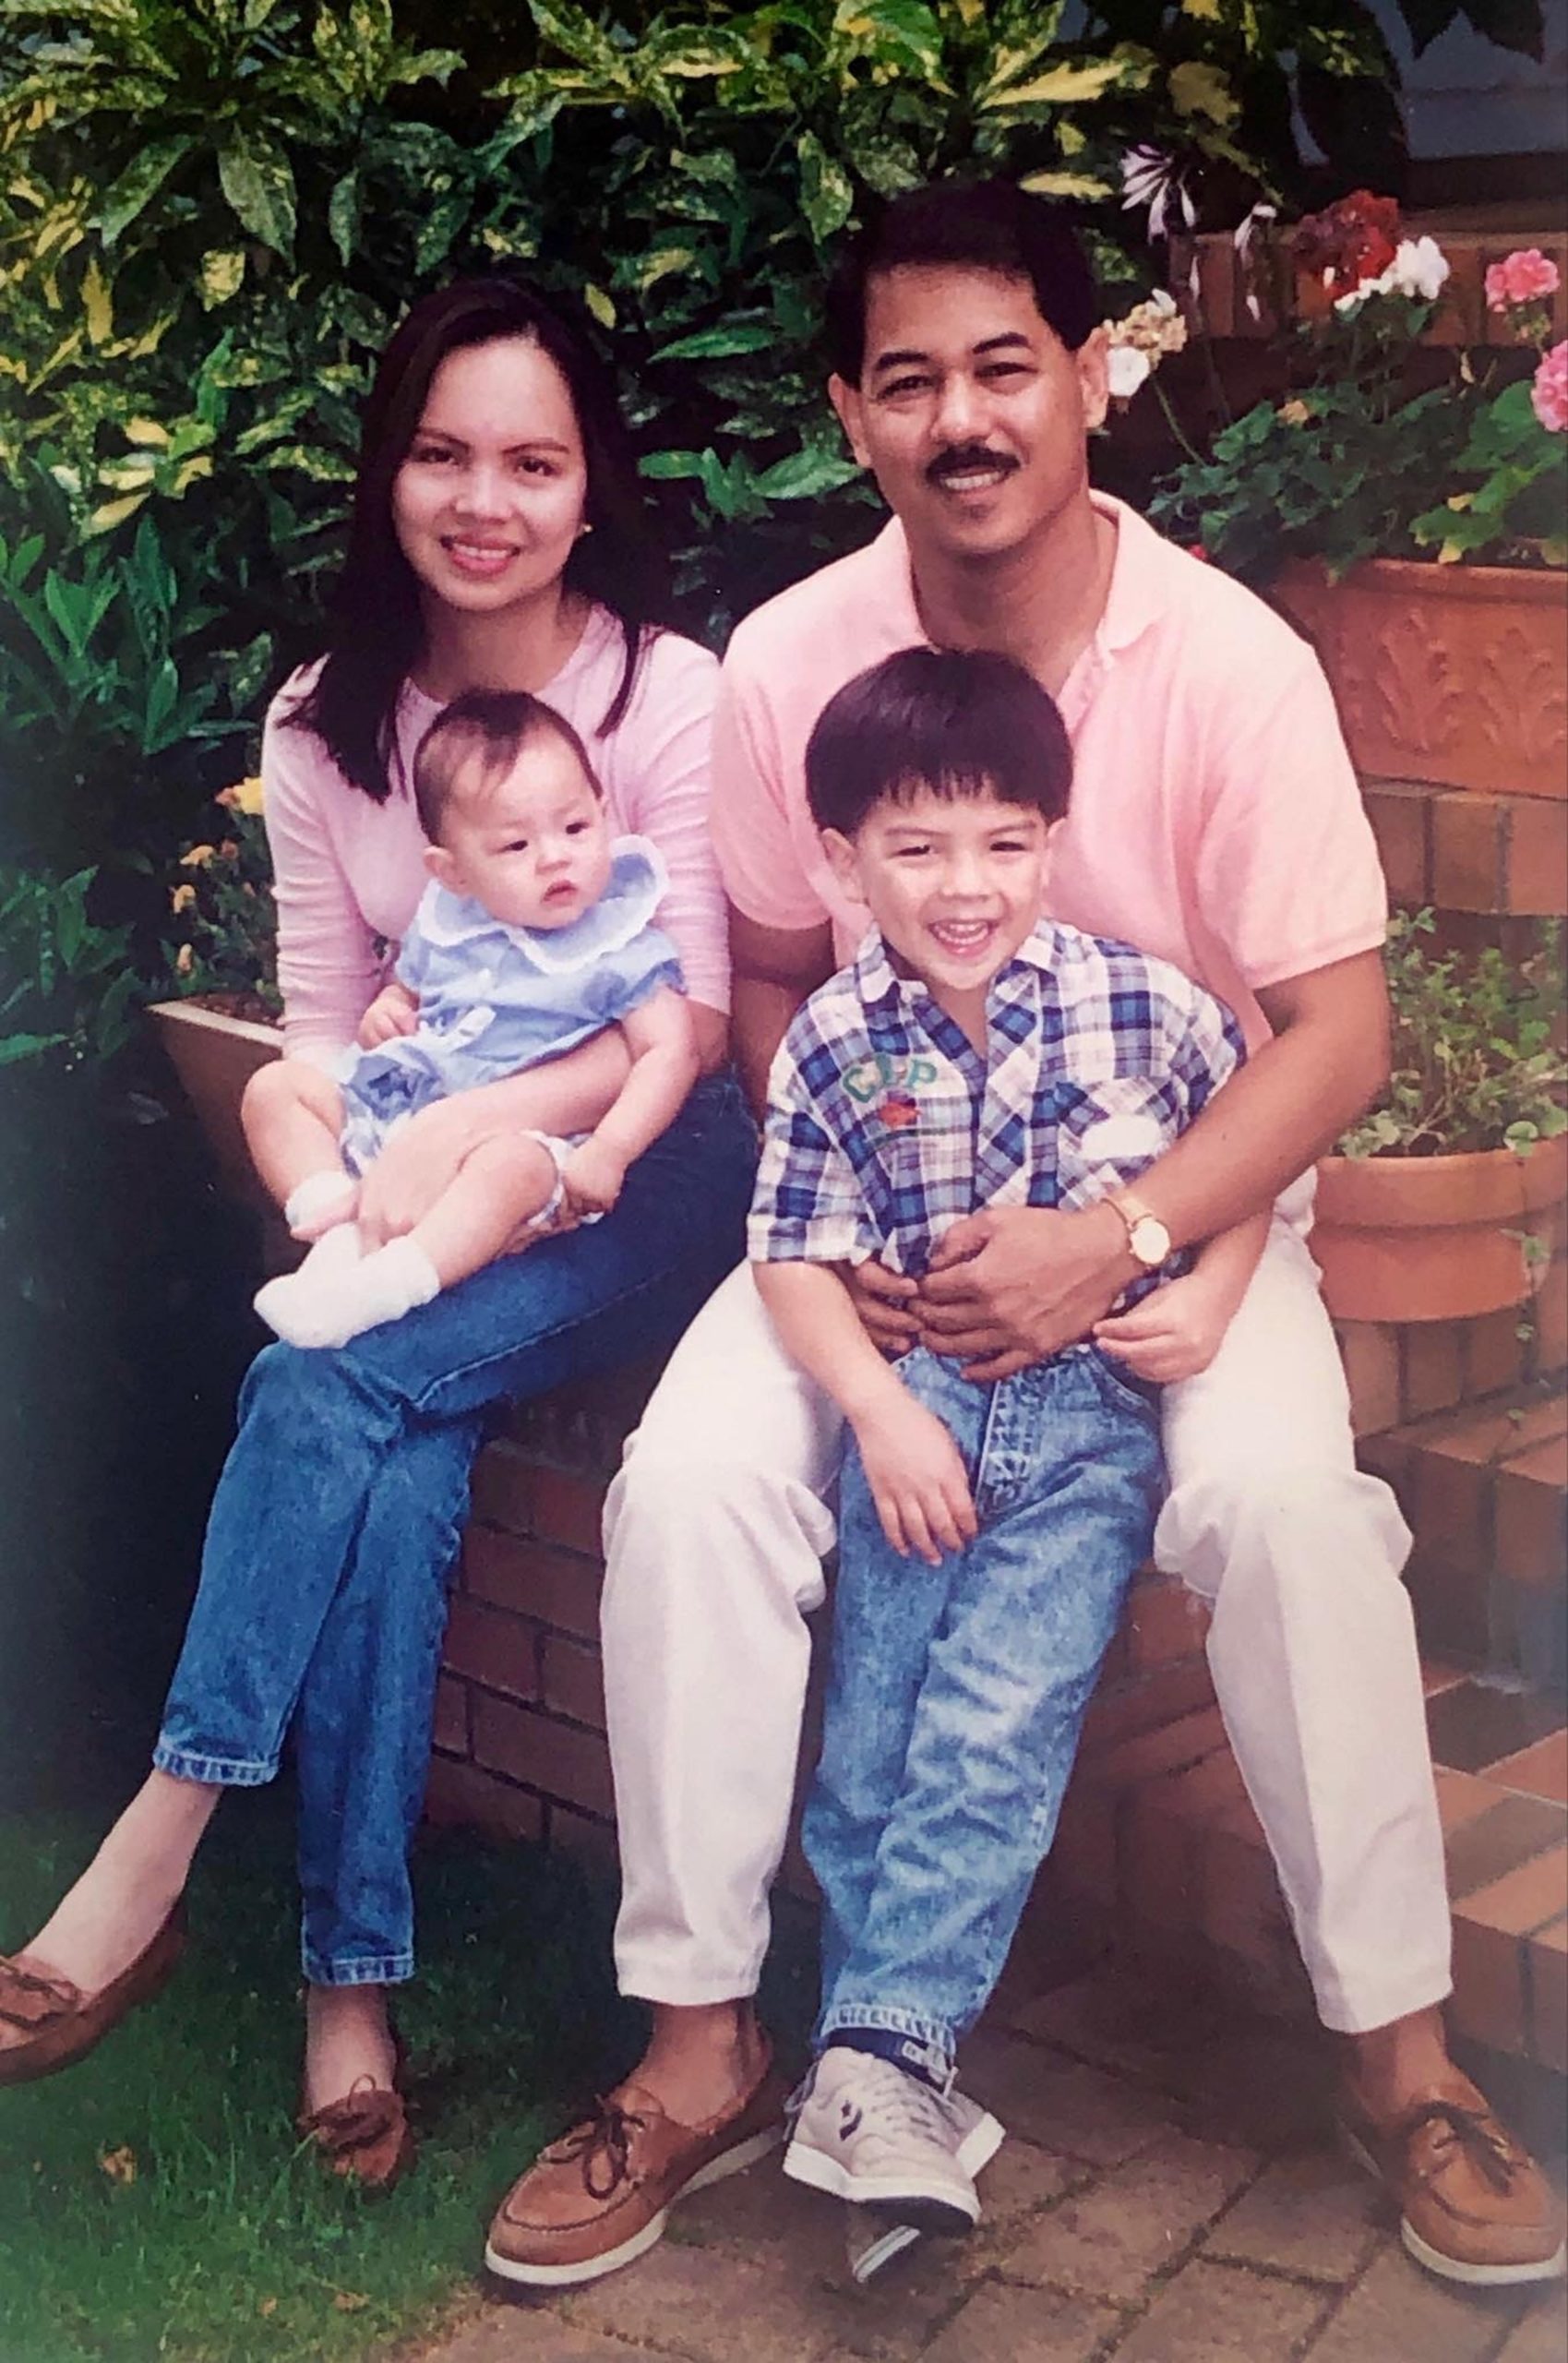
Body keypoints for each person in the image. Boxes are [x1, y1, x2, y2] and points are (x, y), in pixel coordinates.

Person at [491, 180, 1565, 2290]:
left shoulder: (1221, 658)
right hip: (875, 1227)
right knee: (695, 1480)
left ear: (1087, 376)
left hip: (1183, 1217)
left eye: (1003, 367)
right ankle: (697, 2042)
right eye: (909, 381)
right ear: (850, 413)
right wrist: (883, 1219)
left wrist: (1132, 1236)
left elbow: (1331, 1027)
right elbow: (784, 980)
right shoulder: (799, 657)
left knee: (1276, 1505)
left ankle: (1400, 2050)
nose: (960, 419)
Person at [0, 275, 757, 2190]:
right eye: (441, 450)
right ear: (388, 471)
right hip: (423, 1182)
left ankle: (156, 1850)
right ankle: (352, 1987)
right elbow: (327, 1020)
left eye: (530, 457)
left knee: (318, 1382)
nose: (481, 496)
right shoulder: (321, 725)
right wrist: (336, 1160)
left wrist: (481, 1130)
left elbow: (683, 1016)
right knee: (378, 1432)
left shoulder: (668, 696)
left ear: (592, 490)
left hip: (636, 1172)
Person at [748, 646, 1263, 2263]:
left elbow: (1249, 1165)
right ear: (839, 861)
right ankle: (879, 2091)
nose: (961, 885)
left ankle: (874, 2060)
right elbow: (790, 1255)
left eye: (998, 840)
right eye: (911, 848)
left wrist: (1212, 1301)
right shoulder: (832, 1042)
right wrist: (881, 1416)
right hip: (922, 1420)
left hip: (1088, 1425)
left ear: (1050, 833)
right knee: (871, 1743)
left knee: (989, 1728)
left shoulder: (1145, 1003)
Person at [246, 690, 696, 1350]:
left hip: (531, 1140)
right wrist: (389, 1008)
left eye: (575, 828)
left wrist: (612, 1148)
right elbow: (406, 986)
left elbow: (671, 1051)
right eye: (514, 845)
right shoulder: (452, 919)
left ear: (604, 815)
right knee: (275, 1092)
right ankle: (337, 1227)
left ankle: (390, 1284)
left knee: (506, 1167)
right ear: (451, 872)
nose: (554, 857)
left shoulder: (620, 944)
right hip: (403, 1111)